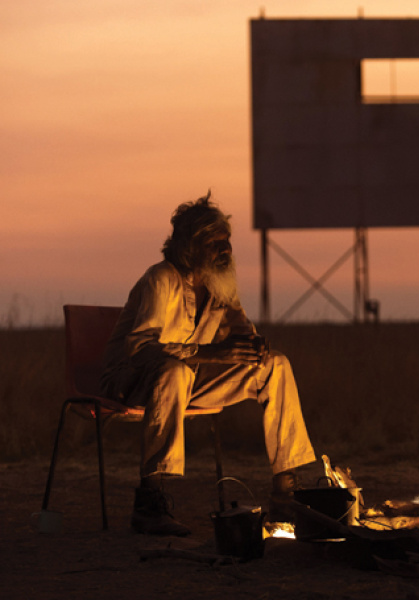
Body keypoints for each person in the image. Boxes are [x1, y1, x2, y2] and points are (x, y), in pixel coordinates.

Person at [101, 192, 316, 536]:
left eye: (227, 241)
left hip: (188, 380)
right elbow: (140, 349)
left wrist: (254, 346)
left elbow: (240, 333)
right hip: (133, 382)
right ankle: (150, 501)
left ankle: (285, 492)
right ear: (190, 246)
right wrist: (214, 353)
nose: (225, 250)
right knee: (173, 371)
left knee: (275, 364)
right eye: (215, 244)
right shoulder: (161, 278)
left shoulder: (219, 283)